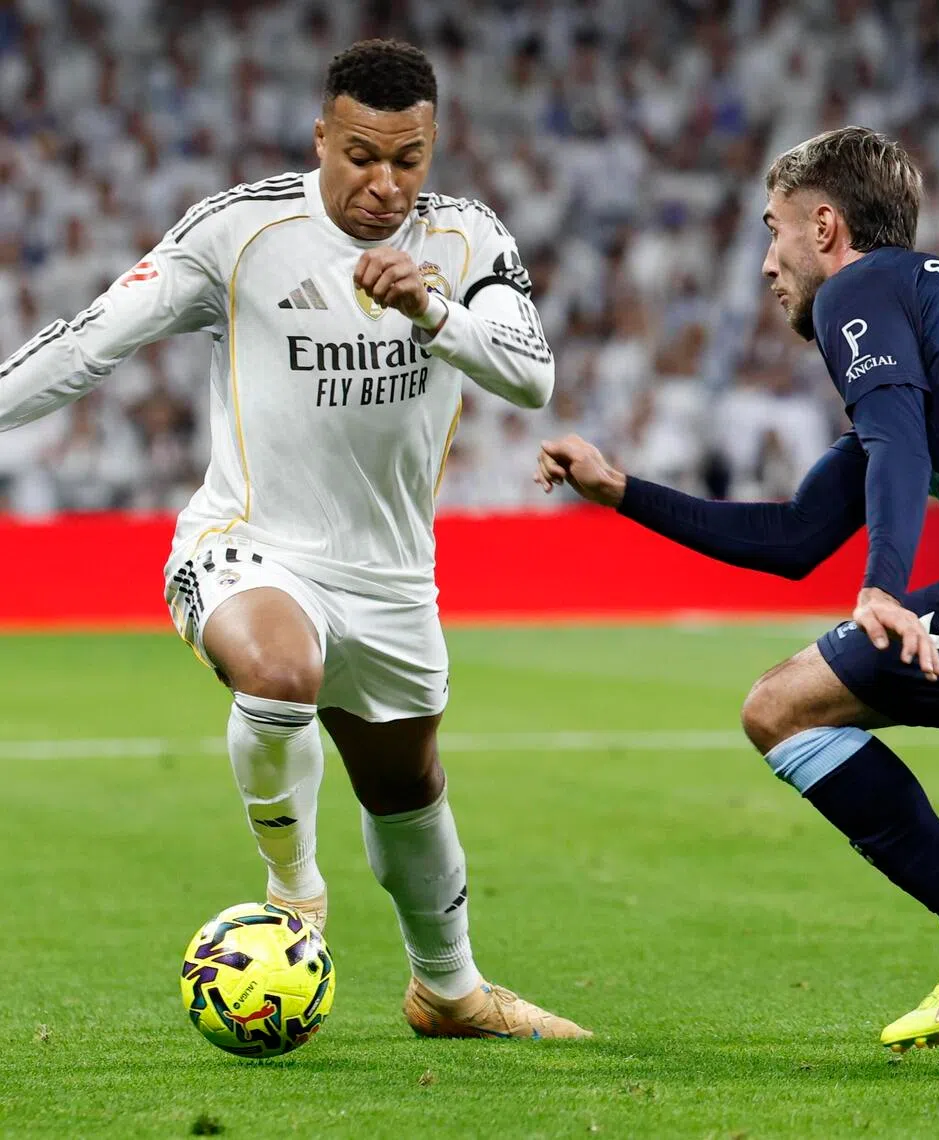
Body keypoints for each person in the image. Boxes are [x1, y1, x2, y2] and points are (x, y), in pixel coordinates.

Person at [0, 39, 588, 1041]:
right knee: (279, 673)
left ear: (432, 147)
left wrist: (429, 308)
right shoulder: (242, 231)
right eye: (361, 154)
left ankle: (448, 993)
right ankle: (294, 895)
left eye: (408, 159)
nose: (384, 183)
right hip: (247, 544)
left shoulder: (466, 240)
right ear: (322, 136)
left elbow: (530, 377)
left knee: (407, 790)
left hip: (392, 577)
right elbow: (93, 339)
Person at [536, 125, 939, 1053]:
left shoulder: (859, 291)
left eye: (772, 231)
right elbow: (792, 538)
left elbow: (897, 439)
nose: (767, 263)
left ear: (825, 226)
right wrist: (621, 492)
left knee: (783, 708)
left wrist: (884, 587)